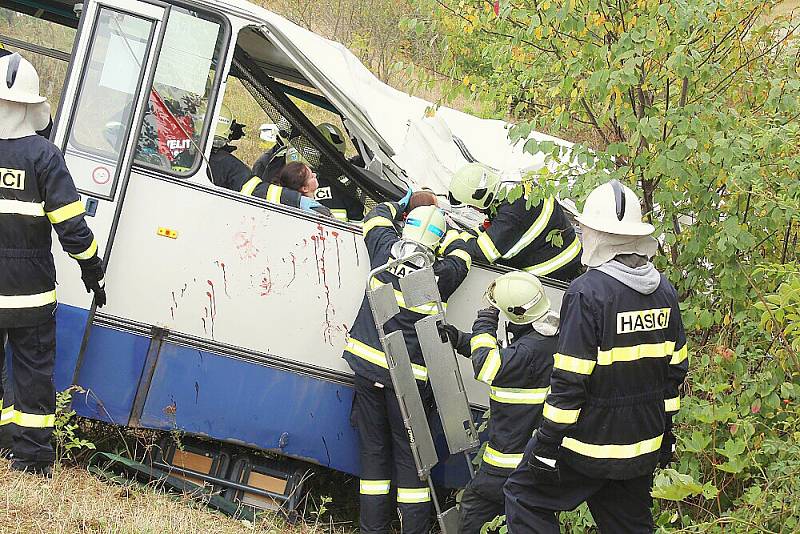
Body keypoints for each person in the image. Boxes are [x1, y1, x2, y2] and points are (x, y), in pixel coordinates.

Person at [504, 180, 689, 533]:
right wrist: (665, 436)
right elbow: (674, 374)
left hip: (588, 448)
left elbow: (570, 382)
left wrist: (545, 443)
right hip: (640, 446)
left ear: (598, 234)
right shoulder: (665, 292)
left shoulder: (587, 293)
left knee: (523, 496)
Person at [0, 53, 107, 476]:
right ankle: (30, 459)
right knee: (32, 374)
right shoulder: (45, 157)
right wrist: (92, 270)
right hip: (30, 294)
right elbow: (72, 229)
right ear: (30, 106)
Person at [344, 198, 472, 533]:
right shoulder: (440, 275)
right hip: (407, 385)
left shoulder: (384, 252)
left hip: (366, 372)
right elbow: (463, 256)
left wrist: (399, 202)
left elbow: (374, 218)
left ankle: (372, 529)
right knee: (412, 461)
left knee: (373, 455)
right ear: (435, 242)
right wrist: (454, 230)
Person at [441, 271, 557, 533]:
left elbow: (488, 366)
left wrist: (485, 319)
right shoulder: (549, 336)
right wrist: (461, 340)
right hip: (536, 457)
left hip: (508, 461)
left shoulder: (527, 351)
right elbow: (508, 358)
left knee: (475, 508)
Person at [448, 162, 582, 282]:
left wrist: (450, 240)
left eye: (471, 205)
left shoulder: (512, 212)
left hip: (552, 270)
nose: (474, 210)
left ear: (481, 196)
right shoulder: (515, 188)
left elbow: (482, 253)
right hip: (566, 253)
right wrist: (465, 234)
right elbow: (494, 228)